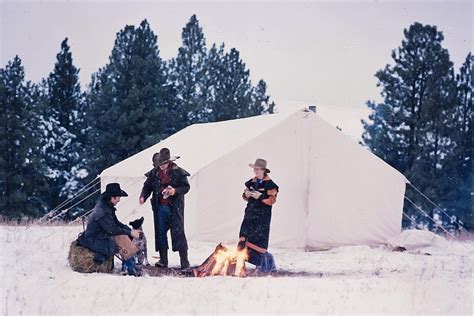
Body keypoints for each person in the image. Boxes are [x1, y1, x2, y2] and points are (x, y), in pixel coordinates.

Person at [139, 148, 191, 269]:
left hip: (175, 208)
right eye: (159, 164)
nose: (161, 166)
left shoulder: (179, 172)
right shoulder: (154, 173)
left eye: (163, 164)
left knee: (178, 233)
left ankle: (184, 261)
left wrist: (174, 191)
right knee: (160, 233)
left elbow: (186, 187)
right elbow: (147, 186)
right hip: (160, 207)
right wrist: (143, 196)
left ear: (168, 162)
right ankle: (163, 260)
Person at [77, 183, 142, 276]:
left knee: (125, 233)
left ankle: (128, 263)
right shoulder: (102, 210)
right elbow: (112, 230)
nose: (119, 200)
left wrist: (130, 231)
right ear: (112, 197)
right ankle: (129, 266)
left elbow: (116, 223)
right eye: (118, 197)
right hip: (94, 240)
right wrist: (130, 232)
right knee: (121, 237)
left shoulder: (107, 206)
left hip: (102, 236)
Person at [238, 158, 279, 272]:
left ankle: (263, 264)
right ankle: (241, 266)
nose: (255, 171)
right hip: (250, 214)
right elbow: (245, 196)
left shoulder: (270, 185)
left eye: (257, 169)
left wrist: (261, 197)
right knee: (244, 237)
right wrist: (246, 194)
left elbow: (272, 200)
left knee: (258, 239)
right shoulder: (251, 182)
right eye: (254, 169)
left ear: (263, 170)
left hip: (262, 217)